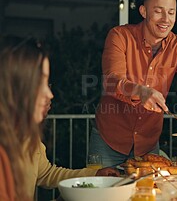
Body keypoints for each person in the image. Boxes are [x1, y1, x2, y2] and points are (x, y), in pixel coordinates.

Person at [91, 0, 177, 167]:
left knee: (148, 194)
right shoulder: (120, 36)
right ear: (143, 11)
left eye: (171, 12)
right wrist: (140, 91)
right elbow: (111, 81)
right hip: (109, 140)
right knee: (101, 194)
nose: (166, 19)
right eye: (158, 11)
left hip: (148, 144)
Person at [0, 36, 118, 201]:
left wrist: (94, 174)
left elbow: (46, 173)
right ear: (13, 87)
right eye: (39, 83)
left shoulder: (26, 136)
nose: (50, 94)